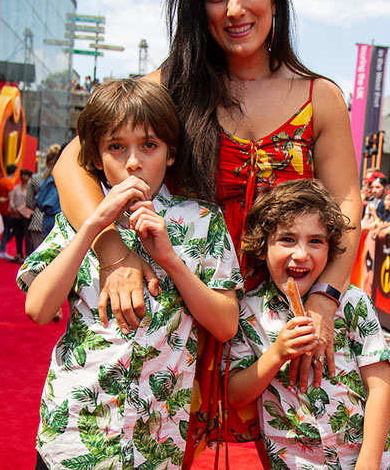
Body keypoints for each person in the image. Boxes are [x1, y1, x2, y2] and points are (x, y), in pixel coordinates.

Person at [52, 0, 361, 461]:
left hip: (281, 314)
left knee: (310, 451)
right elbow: (70, 164)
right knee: (163, 452)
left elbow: (347, 206)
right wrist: (115, 257)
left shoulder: (321, 97)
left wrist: (325, 298)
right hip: (186, 308)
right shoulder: (173, 85)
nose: (234, 9)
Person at [18, 78, 241, 470]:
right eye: (116, 147)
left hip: (155, 442)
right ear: (97, 156)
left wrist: (171, 260)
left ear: (170, 153)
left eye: (149, 145)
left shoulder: (203, 221)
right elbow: (38, 308)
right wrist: (93, 226)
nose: (133, 161)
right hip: (72, 432)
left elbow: (225, 325)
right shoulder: (79, 219)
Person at [227, 179, 390, 469]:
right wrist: (276, 354)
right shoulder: (247, 312)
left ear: (331, 249)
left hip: (373, 459)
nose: (301, 254)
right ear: (262, 248)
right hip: (298, 462)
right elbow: (236, 395)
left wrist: (369, 462)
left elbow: (380, 388)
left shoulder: (353, 302)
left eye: (316, 241)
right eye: (287, 239)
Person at [9, 168, 33, 262]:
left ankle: (27, 255)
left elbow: (30, 201)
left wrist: (20, 210)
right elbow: (12, 198)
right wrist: (14, 208)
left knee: (27, 236)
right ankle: (18, 253)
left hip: (26, 215)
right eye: (22, 175)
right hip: (16, 215)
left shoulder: (31, 189)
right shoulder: (16, 187)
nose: (23, 177)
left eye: (25, 175)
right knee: (18, 235)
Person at [0, 163, 17, 260]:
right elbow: (11, 196)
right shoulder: (9, 183)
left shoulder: (1, 181)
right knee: (14, 229)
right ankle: (2, 245)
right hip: (8, 209)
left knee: (6, 229)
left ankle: (2, 245)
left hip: (2, 208)